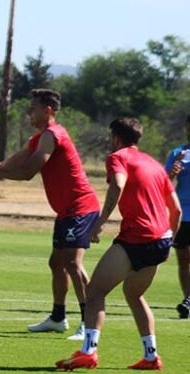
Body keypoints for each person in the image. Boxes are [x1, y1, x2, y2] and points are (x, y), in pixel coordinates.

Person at [0, 89, 100, 340]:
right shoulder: (38, 139)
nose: (28, 112)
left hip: (81, 206)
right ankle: (58, 318)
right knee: (56, 263)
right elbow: (5, 167)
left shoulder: (53, 135)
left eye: (32, 107)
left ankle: (89, 324)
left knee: (72, 263)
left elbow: (27, 173)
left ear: (48, 110)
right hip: (66, 211)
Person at [55, 118, 180, 371]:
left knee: (95, 292)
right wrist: (169, 241)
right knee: (135, 294)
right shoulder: (154, 164)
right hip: (161, 240)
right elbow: (175, 209)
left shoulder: (118, 157)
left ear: (115, 138)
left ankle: (88, 352)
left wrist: (99, 222)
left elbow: (118, 185)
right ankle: (151, 356)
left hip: (137, 237)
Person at [165, 114, 190, 319]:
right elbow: (163, 182)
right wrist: (173, 172)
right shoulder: (178, 152)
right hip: (183, 214)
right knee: (183, 259)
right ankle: (188, 299)